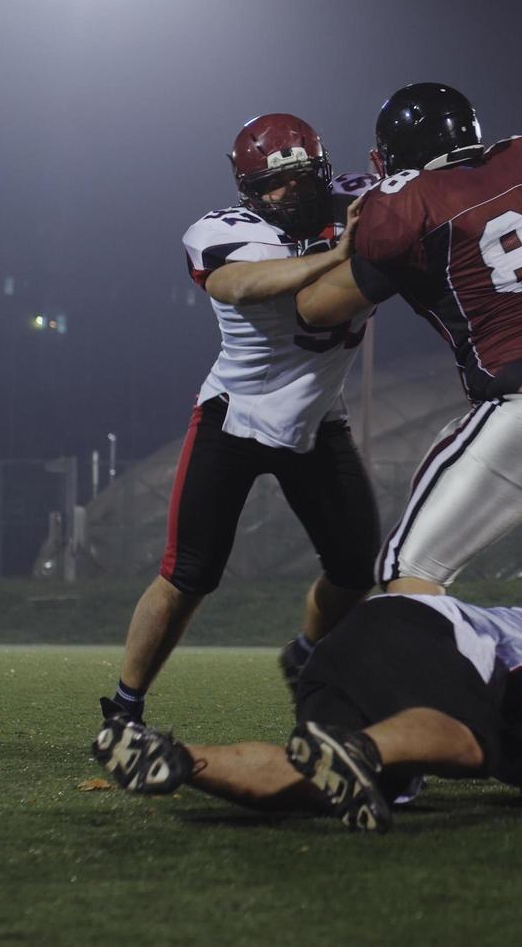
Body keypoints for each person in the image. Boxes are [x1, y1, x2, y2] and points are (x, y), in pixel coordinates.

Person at [293, 82, 522, 597]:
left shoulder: (412, 211)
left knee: (409, 575)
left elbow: (313, 308)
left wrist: (337, 242)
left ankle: (422, 678)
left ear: (391, 160)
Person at [102, 113, 382, 727]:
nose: (289, 194)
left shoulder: (359, 199)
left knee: (356, 567)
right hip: (236, 416)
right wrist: (335, 254)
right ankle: (124, 707)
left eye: (300, 179)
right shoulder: (223, 231)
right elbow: (239, 285)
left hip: (318, 420)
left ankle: (305, 655)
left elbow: (424, 196)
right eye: (272, 188)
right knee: (187, 576)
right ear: (248, 193)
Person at [92, 593, 522, 832]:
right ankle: (364, 749)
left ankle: (176, 757)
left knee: (316, 779)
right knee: (471, 744)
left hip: (352, 652)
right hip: (418, 630)